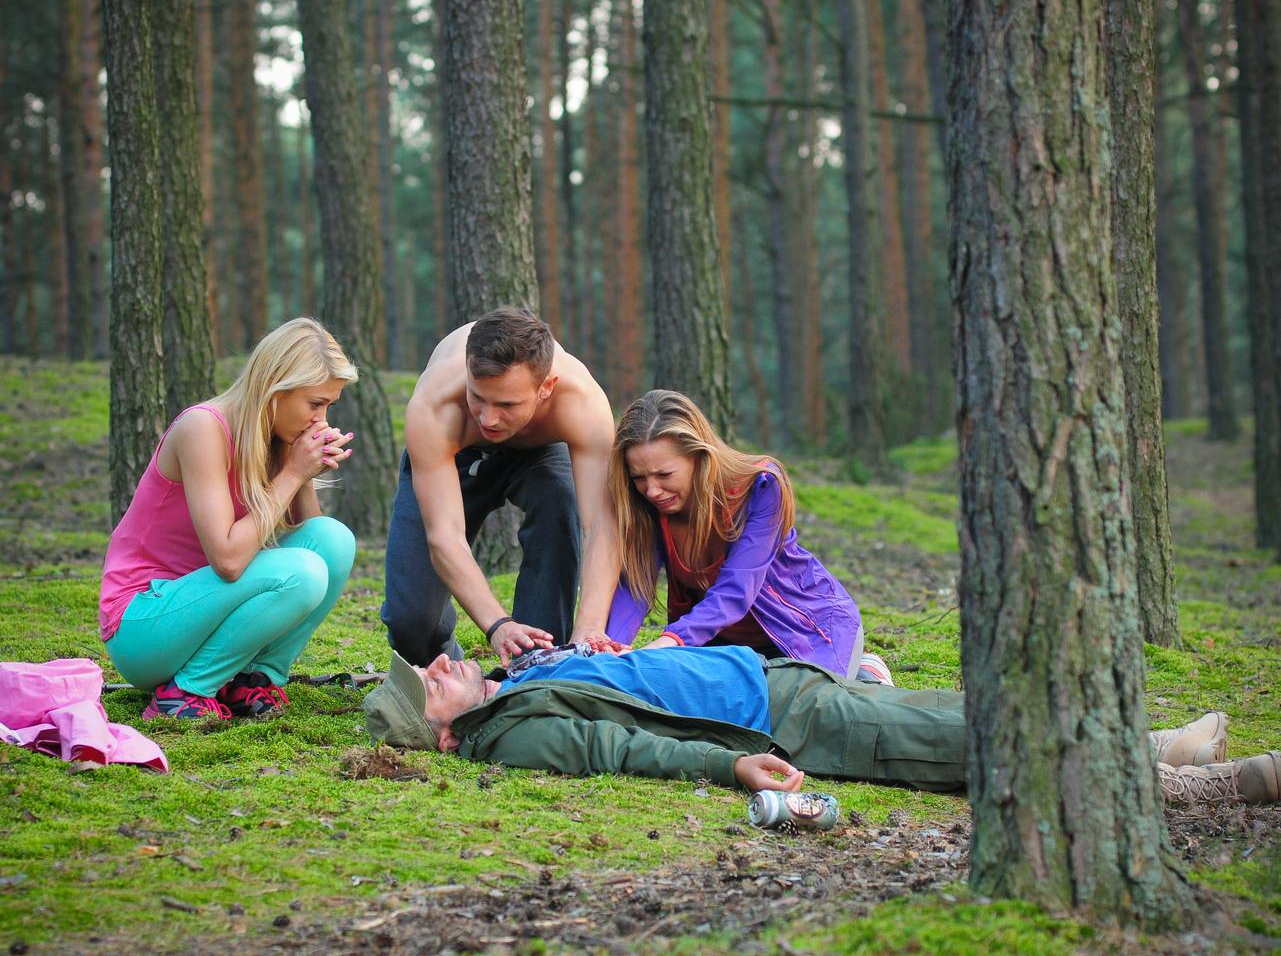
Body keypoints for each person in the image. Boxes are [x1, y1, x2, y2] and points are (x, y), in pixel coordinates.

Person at [363, 647, 1281, 806]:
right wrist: (730, 772)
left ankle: (1157, 741)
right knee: (970, 743)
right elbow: (621, 748)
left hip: (782, 685)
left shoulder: (522, 681)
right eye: (430, 686)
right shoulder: (510, 733)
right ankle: (1212, 784)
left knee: (968, 712)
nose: (440, 666)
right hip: (790, 726)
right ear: (444, 736)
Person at [99, 318, 358, 720]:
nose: (321, 419)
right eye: (314, 404)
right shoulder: (203, 428)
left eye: (328, 406)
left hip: (203, 614)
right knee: (301, 571)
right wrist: (292, 473)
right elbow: (228, 559)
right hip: (143, 625)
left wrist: (301, 472)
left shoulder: (275, 437)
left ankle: (254, 680)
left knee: (333, 540)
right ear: (276, 389)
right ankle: (185, 692)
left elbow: (308, 535)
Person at [382, 306, 618, 668]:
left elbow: (602, 525)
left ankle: (538, 663)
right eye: (477, 397)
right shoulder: (435, 405)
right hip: (454, 453)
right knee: (412, 624)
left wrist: (590, 627)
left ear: (546, 388)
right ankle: (454, 673)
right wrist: (498, 625)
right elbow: (444, 536)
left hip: (539, 452)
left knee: (561, 498)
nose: (488, 418)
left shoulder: (582, 404)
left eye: (507, 404)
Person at [604, 390, 870, 677]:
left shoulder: (761, 487)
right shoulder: (649, 507)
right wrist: (610, 646)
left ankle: (869, 673)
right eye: (639, 478)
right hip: (722, 645)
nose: (652, 490)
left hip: (807, 633)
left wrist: (669, 641)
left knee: (797, 707)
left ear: (699, 456)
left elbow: (735, 591)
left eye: (664, 475)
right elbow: (635, 584)